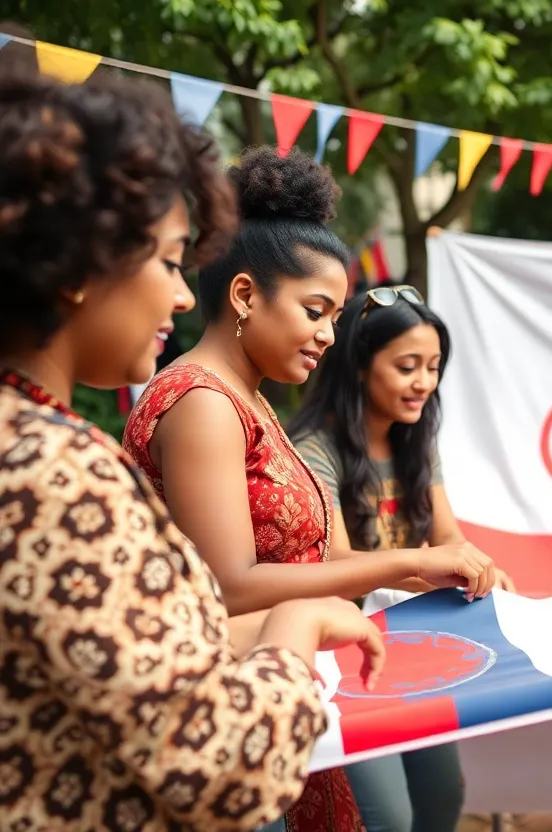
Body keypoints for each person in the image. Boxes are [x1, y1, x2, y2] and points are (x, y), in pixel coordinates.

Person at [0, 70, 385, 831]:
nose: (182, 296)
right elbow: (218, 767)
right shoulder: (54, 472)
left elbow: (147, 649)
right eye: (170, 261)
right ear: (82, 266)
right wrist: (298, 628)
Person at [122, 147, 499, 831]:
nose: (330, 334)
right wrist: (410, 560)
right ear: (243, 295)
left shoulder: (250, 399)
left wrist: (427, 571)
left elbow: (309, 568)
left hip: (284, 680)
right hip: (227, 711)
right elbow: (231, 584)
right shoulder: (201, 400)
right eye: (316, 310)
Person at [288, 285, 516, 832]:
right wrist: (433, 564)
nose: (424, 383)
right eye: (407, 366)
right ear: (361, 367)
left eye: (434, 366)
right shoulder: (314, 449)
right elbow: (337, 563)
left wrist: (481, 569)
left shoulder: (417, 441)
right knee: (387, 816)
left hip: (417, 646)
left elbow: (448, 536)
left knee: (442, 800)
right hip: (347, 658)